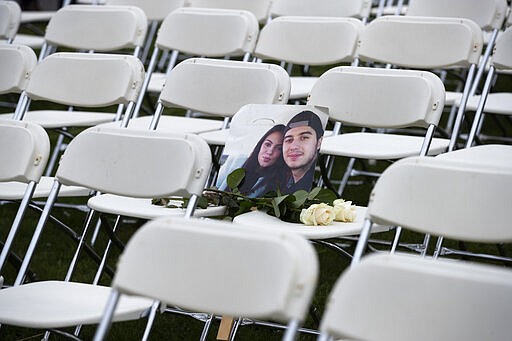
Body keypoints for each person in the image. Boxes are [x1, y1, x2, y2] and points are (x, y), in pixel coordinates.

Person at [217, 124, 288, 197]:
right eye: (267, 144)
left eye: (278, 148)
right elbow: (215, 189)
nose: (270, 152)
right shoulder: (237, 161)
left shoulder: (279, 183)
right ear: (260, 144)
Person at [281, 110, 324, 194]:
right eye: (289, 140)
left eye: (304, 138)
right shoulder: (274, 183)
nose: (294, 147)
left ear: (319, 143)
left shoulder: (318, 188)